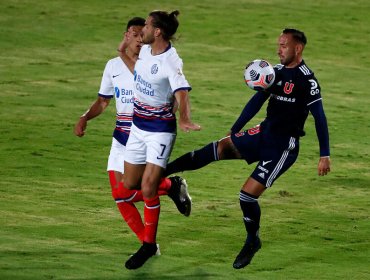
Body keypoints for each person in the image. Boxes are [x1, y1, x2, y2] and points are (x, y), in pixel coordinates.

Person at [164, 28, 331, 269]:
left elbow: (320, 118)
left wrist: (324, 154)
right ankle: (164, 171)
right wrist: (236, 128)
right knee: (216, 148)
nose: (279, 49)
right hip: (262, 134)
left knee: (246, 196)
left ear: (298, 48)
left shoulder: (308, 81)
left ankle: (252, 241)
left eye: (284, 45)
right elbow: (257, 100)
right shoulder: (275, 73)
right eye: (279, 44)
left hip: (282, 148)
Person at [74, 17, 192, 253]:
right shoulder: (114, 66)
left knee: (128, 191)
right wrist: (85, 116)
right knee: (120, 196)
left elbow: (175, 91)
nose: (139, 38)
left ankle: (167, 187)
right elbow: (103, 101)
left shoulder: (151, 62)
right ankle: (150, 243)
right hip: (121, 138)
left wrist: (179, 112)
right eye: (134, 33)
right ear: (126, 35)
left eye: (142, 33)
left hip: (146, 135)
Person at [122, 10, 201, 269]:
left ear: (157, 31)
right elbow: (134, 63)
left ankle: (148, 245)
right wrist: (124, 49)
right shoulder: (145, 50)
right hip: (137, 128)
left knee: (146, 189)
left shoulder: (171, 60)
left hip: (160, 132)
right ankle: (171, 185)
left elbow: (182, 91)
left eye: (145, 25)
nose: (141, 28)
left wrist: (185, 118)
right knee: (131, 183)